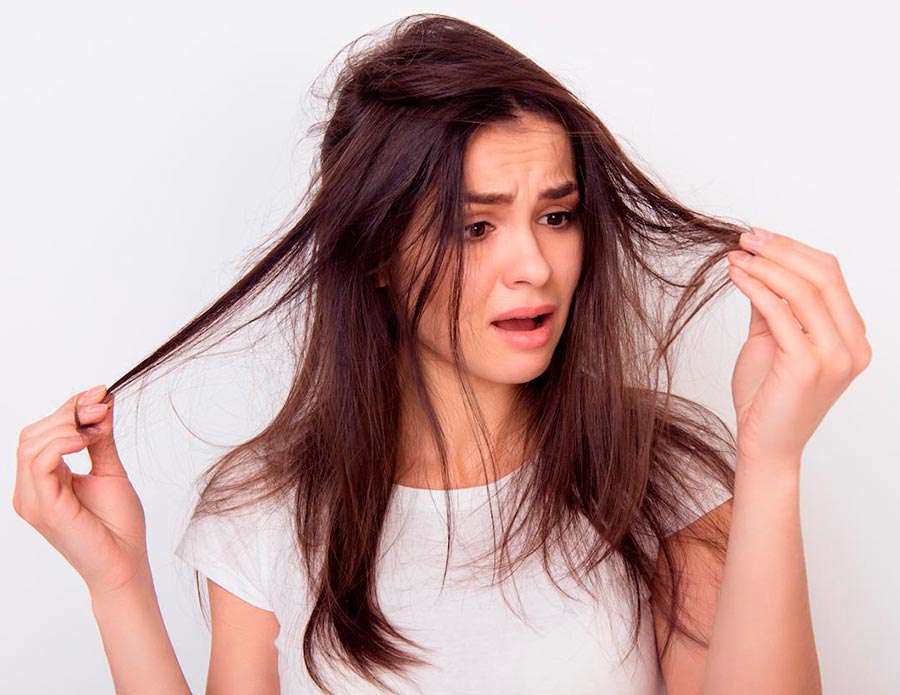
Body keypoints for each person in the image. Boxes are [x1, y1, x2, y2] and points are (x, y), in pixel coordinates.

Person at [13, 13, 869, 695]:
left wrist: (773, 462)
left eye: (557, 214)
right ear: (379, 253)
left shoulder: (655, 471)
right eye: (477, 225)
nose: (534, 265)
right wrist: (117, 585)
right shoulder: (265, 509)